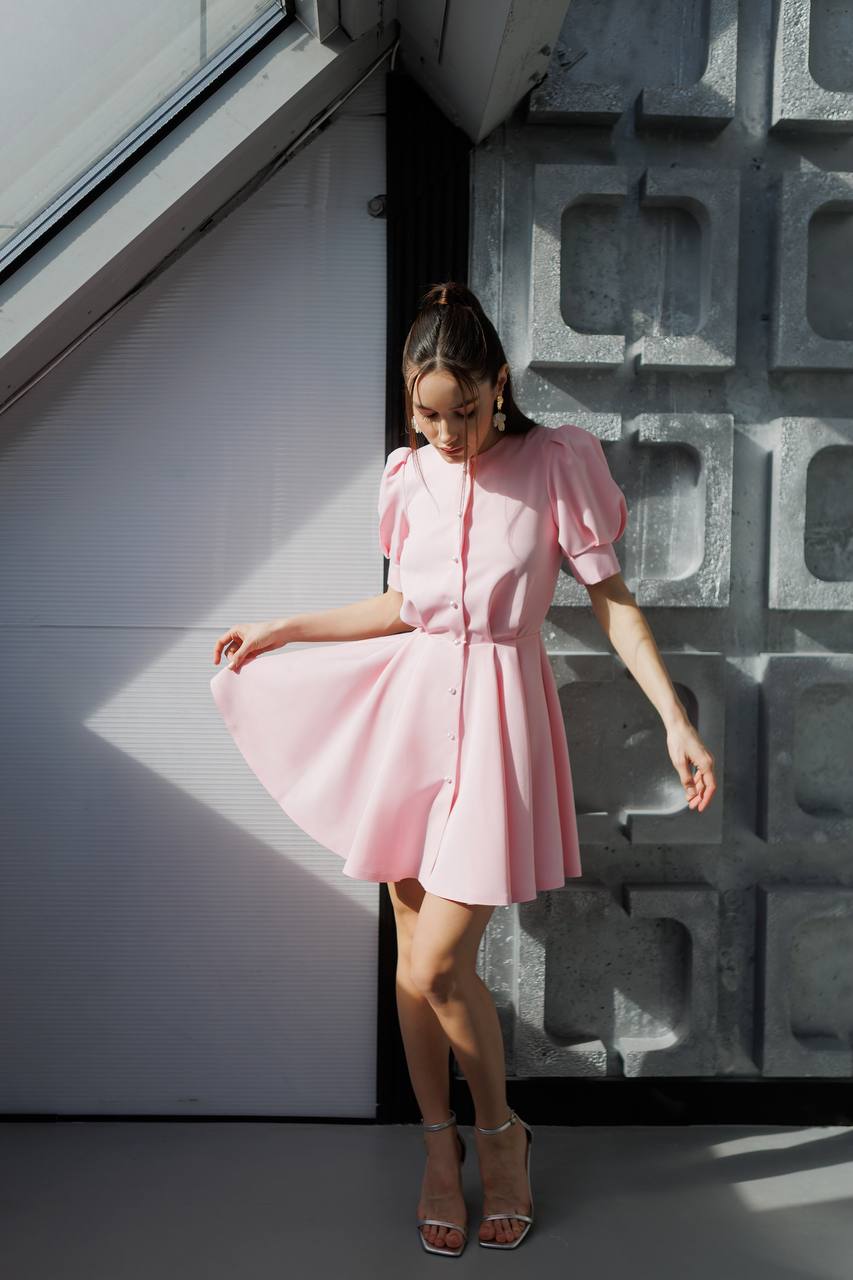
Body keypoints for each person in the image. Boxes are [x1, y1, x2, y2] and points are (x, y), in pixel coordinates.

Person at [210, 281, 717, 1256]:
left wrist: (673, 721)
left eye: (463, 410)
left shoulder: (556, 462)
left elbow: (611, 602)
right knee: (412, 965)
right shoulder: (407, 477)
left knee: (442, 961)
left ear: (499, 386)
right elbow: (404, 608)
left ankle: (502, 1137)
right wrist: (283, 625)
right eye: (426, 414)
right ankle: (440, 1152)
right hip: (404, 720)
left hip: (496, 726)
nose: (446, 432)